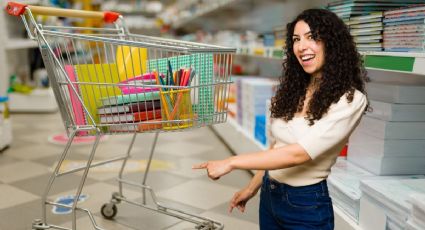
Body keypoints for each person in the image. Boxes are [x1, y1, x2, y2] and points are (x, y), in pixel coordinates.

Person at [192, 8, 369, 230]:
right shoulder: (297, 88)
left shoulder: (350, 100)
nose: (301, 46)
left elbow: (298, 153)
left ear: (332, 43)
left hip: (305, 205)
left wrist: (232, 161)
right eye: (296, 39)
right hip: (270, 195)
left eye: (312, 37)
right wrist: (252, 188)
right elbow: (277, 147)